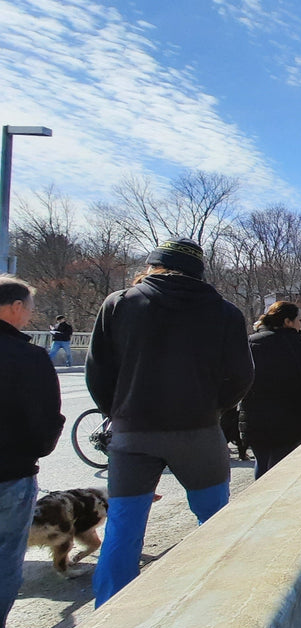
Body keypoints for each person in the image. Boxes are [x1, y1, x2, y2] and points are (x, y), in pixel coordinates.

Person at [86, 238, 253, 607]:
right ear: (198, 272)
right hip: (199, 432)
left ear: (154, 266)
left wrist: (118, 411)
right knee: (216, 521)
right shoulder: (225, 312)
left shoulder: (120, 303)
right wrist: (213, 410)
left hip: (133, 433)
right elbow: (242, 375)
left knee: (124, 526)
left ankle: (109, 613)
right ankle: (215, 604)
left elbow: (97, 372)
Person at [0, 276, 65, 628]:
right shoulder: (28, 357)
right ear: (14, 307)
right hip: (10, 475)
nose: (30, 315)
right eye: (29, 307)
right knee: (5, 560)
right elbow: (44, 424)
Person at [240, 301, 301, 479]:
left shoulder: (251, 342)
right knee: (281, 465)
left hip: (255, 413)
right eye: (300, 320)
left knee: (261, 461)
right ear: (287, 321)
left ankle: (258, 493)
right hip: (290, 414)